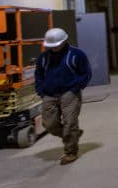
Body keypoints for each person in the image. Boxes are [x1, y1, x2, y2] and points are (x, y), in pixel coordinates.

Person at [35, 28, 92, 164]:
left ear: (64, 41)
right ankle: (73, 135)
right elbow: (39, 75)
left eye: (56, 45)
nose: (54, 48)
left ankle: (70, 152)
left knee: (70, 123)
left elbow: (86, 73)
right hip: (49, 94)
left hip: (69, 92)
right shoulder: (43, 58)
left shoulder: (76, 55)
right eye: (51, 46)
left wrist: (75, 89)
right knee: (49, 124)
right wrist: (41, 91)